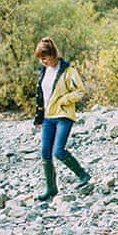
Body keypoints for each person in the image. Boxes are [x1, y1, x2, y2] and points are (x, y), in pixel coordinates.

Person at [33, 37, 90, 201]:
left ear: (53, 55)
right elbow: (41, 96)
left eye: (44, 58)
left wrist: (64, 101)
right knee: (45, 153)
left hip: (63, 116)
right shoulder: (43, 71)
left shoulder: (68, 71)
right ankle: (51, 188)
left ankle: (83, 175)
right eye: (40, 59)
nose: (42, 61)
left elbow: (80, 91)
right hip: (48, 118)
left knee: (58, 151)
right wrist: (38, 118)